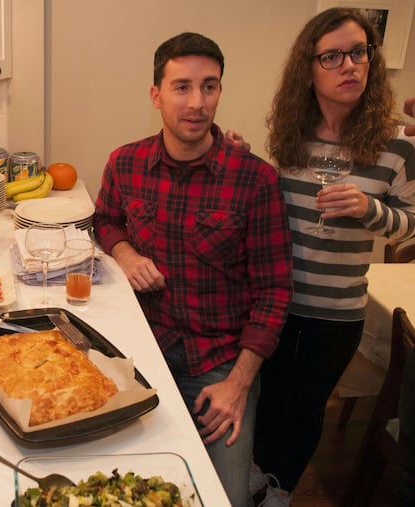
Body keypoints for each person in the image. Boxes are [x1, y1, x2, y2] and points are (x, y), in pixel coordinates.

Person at [93, 32, 293, 507]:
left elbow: (275, 292)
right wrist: (125, 253)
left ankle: (253, 483)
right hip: (143, 348)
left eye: (210, 86)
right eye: (182, 87)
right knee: (116, 481)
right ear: (156, 95)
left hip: (221, 362)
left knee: (222, 498)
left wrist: (239, 384)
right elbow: (104, 220)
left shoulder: (256, 180)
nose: (197, 102)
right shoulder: (125, 163)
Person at [250, 8, 415, 507]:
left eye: (360, 52)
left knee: (304, 412)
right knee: (265, 403)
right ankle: (250, 484)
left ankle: (278, 493)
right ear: (309, 68)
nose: (351, 66)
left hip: (336, 313)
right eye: (333, 56)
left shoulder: (397, 145)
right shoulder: (290, 135)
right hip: (273, 304)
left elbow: (409, 221)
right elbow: (266, 203)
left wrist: (370, 210)